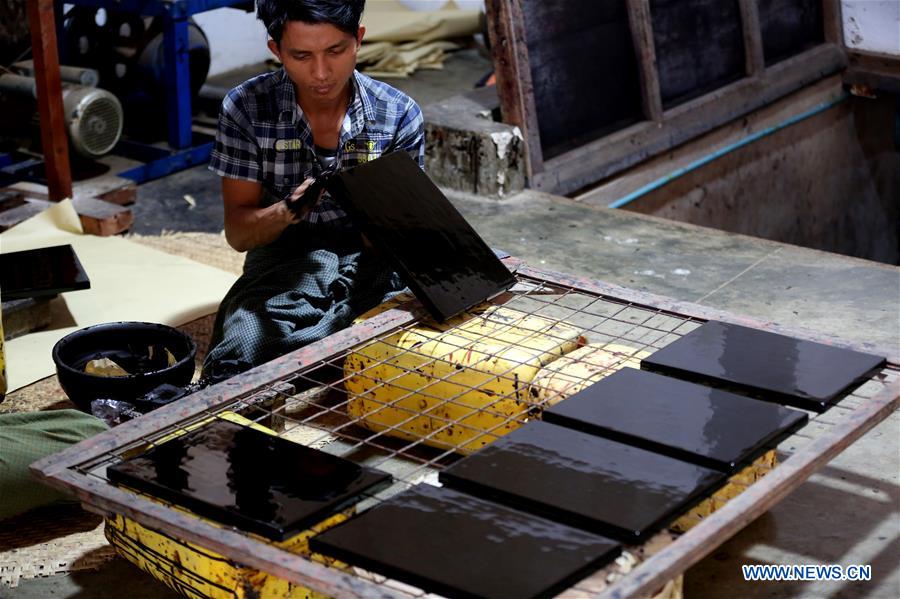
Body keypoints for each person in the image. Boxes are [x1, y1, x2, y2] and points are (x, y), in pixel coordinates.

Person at [204, 0, 424, 377]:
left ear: (358, 40)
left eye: (335, 51)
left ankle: (320, 350)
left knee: (411, 322)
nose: (321, 73)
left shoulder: (398, 114)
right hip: (283, 255)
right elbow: (239, 234)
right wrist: (286, 211)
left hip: (369, 256)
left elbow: (402, 235)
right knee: (242, 340)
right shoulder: (246, 108)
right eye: (301, 55)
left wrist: (381, 223)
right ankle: (324, 353)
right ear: (276, 50)